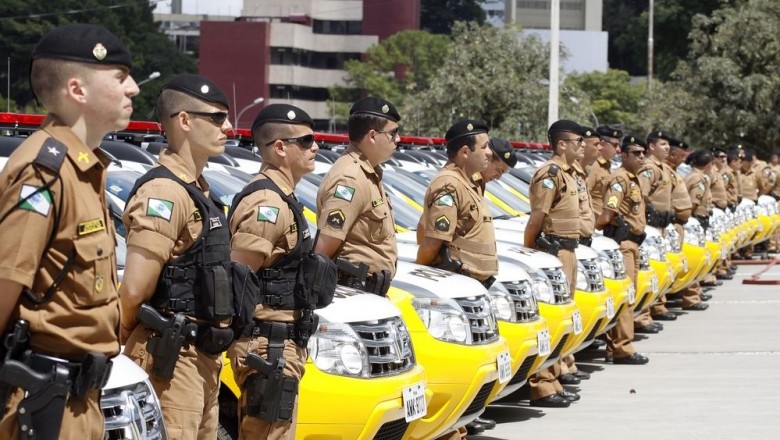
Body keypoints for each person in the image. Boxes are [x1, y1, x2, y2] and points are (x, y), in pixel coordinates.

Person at [0, 24, 138, 439]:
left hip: (78, 401)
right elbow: (6, 282)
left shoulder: (83, 169)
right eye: (119, 77)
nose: (133, 88)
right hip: (44, 402)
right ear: (77, 90)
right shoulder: (44, 173)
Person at [120, 74, 234, 439]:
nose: (228, 127)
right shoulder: (165, 192)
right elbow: (134, 290)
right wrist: (126, 337)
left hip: (202, 357)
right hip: (172, 355)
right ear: (184, 121)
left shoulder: (199, 190)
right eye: (217, 118)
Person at [227, 104, 336, 439]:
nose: (314, 146)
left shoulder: (283, 197)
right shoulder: (268, 205)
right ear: (279, 148)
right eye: (305, 140)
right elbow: (237, 281)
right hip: (267, 346)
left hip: (279, 343)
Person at [415, 120, 496, 436]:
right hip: (454, 288)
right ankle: (450, 430)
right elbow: (433, 242)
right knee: (452, 367)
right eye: (484, 147)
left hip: (471, 290)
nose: (489, 152)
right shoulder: (448, 185)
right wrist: (424, 273)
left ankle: (460, 424)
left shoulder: (469, 181)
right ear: (464, 152)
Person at [523, 119, 584, 408]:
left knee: (563, 321)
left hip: (567, 252)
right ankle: (542, 385)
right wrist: (530, 250)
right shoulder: (551, 173)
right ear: (561, 144)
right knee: (550, 320)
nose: (581, 146)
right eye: (577, 141)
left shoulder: (569, 174)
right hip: (553, 252)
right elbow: (537, 216)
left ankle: (554, 377)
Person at [315, 97, 399, 296]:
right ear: (372, 135)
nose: (398, 139)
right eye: (393, 133)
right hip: (353, 292)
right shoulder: (350, 179)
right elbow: (323, 249)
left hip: (368, 292)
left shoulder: (367, 173)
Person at [595, 135, 650, 366]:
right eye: (635, 153)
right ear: (624, 155)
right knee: (626, 298)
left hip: (634, 244)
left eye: (642, 153)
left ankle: (617, 345)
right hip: (624, 245)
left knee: (630, 296)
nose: (641, 157)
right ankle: (622, 348)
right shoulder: (619, 179)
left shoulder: (633, 178)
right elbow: (608, 214)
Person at [636, 131, 677, 330]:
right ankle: (642, 316)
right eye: (662, 144)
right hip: (650, 226)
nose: (667, 147)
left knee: (660, 268)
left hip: (661, 226)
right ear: (651, 146)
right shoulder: (648, 169)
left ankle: (657, 307)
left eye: (668, 144)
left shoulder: (663, 168)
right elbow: (641, 196)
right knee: (649, 270)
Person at [587, 126, 623, 218]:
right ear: (602, 144)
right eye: (615, 145)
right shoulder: (593, 166)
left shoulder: (607, 165)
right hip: (595, 223)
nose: (618, 149)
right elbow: (584, 197)